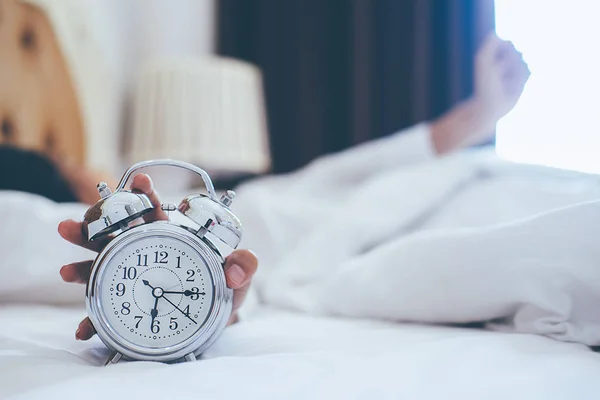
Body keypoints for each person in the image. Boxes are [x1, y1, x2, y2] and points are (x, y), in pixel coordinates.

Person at [0, 33, 529, 340]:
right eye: (64, 160)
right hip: (285, 235)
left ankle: (460, 131)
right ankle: (463, 128)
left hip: (271, 208)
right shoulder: (66, 224)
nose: (77, 160)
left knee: (323, 182)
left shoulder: (156, 193)